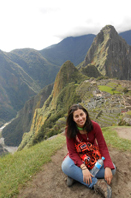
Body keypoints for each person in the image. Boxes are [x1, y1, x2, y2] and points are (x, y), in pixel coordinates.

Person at [61, 104, 116, 198]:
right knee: (66, 166)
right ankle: (96, 184)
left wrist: (107, 166)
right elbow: (72, 152)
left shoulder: (95, 126)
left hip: (92, 155)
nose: (80, 118)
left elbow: (102, 146)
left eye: (81, 114)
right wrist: (83, 168)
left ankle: (75, 176)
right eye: (76, 116)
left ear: (86, 114)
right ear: (73, 118)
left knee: (112, 169)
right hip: (78, 156)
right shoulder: (69, 130)